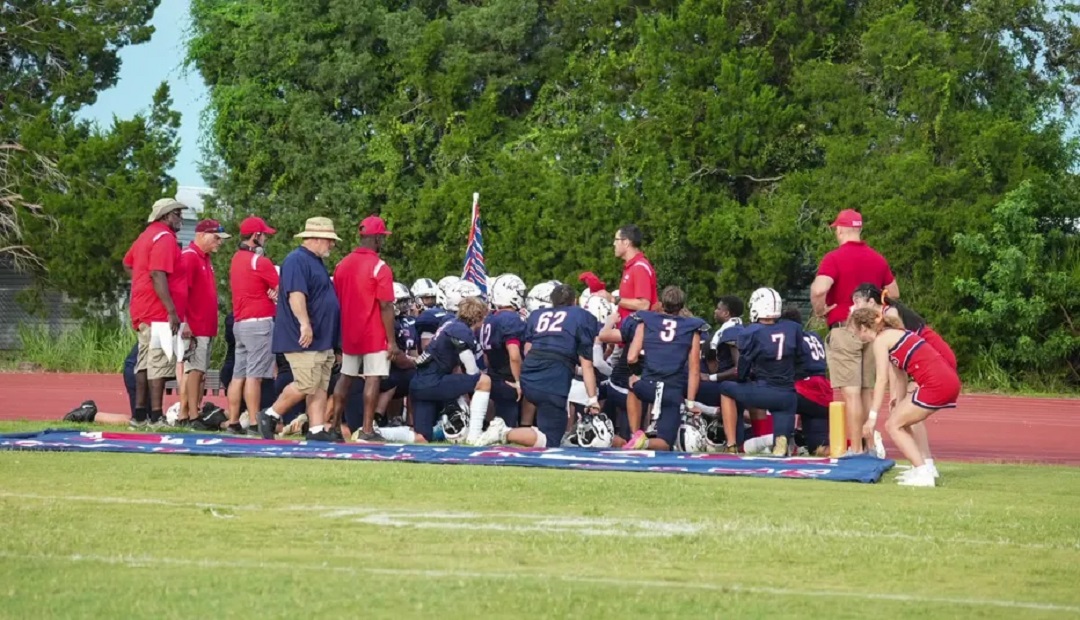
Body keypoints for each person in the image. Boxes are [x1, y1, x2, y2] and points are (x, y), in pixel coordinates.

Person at [810, 209, 899, 453]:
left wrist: (821, 309)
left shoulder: (834, 258)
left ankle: (856, 449)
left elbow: (819, 289)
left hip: (845, 327)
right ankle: (869, 445)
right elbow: (894, 293)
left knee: (850, 392)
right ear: (859, 230)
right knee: (868, 390)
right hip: (872, 329)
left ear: (840, 229)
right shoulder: (877, 259)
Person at [476, 284, 601, 449]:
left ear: (552, 302)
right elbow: (587, 364)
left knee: (550, 429)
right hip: (553, 377)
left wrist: (521, 381)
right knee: (550, 440)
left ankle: (519, 433)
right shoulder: (581, 316)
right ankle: (503, 432)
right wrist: (592, 399)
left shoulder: (537, 315)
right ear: (575, 301)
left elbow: (527, 350)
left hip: (530, 374)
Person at [849, 307, 961, 487]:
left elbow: (881, 380)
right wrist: (898, 401)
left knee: (893, 425)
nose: (857, 337)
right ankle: (922, 468)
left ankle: (923, 472)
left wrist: (872, 418)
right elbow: (900, 375)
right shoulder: (894, 334)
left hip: (937, 383)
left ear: (863, 328)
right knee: (900, 421)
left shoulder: (880, 341)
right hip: (944, 380)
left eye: (855, 332)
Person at [257, 217, 342, 442]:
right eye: (328, 240)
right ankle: (270, 414)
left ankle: (315, 429)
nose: (331, 245)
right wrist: (305, 324)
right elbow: (296, 294)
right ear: (314, 239)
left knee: (320, 384)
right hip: (303, 336)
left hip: (322, 336)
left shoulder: (314, 261)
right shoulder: (297, 260)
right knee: (307, 382)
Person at [122, 197, 188, 428]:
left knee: (144, 363)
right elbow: (158, 273)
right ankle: (156, 415)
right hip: (158, 311)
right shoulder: (164, 238)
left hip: (142, 309)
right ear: (165, 216)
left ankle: (139, 415)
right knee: (158, 365)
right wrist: (171, 310)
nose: (181, 218)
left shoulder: (145, 236)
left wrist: (140, 283)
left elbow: (128, 263)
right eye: (177, 214)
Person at [331, 215, 398, 442]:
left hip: (349, 331)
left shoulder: (342, 264)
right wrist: (392, 340)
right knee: (373, 377)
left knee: (345, 377)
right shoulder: (380, 267)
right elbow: (386, 305)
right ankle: (367, 430)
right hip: (373, 331)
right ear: (377, 238)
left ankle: (334, 426)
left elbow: (337, 299)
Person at [718, 288, 803, 456]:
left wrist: (746, 380)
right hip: (787, 396)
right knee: (780, 443)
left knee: (726, 388)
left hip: (764, 391)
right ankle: (781, 441)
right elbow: (799, 359)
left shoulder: (752, 332)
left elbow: (742, 370)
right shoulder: (793, 328)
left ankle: (731, 444)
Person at [622, 286, 706, 451]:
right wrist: (690, 403)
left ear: (661, 303)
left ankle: (635, 434)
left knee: (632, 385)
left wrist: (637, 374)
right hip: (671, 390)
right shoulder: (692, 327)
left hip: (649, 385)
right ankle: (644, 443)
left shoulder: (646, 320)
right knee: (665, 443)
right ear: (682, 306)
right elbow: (694, 369)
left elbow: (631, 357)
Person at [408, 296, 491, 442]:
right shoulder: (461, 330)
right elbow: (472, 371)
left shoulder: (450, 323)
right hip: (433, 382)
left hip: (418, 383)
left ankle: (382, 433)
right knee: (484, 381)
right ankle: (475, 436)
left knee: (422, 438)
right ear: (478, 316)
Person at [226, 216, 279, 434]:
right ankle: (255, 424)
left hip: (240, 323)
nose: (266, 238)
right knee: (254, 376)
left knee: (238, 374)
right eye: (264, 234)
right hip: (259, 324)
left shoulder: (236, 259)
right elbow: (282, 288)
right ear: (256, 236)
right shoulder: (260, 262)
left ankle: (233, 421)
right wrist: (273, 294)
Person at [177, 219, 230, 425]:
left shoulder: (204, 259)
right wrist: (186, 322)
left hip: (205, 325)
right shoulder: (190, 258)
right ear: (201, 235)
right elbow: (181, 292)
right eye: (216, 238)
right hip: (195, 324)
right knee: (194, 370)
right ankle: (191, 415)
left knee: (199, 372)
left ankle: (188, 411)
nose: (219, 242)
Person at [780, 305, 832, 455]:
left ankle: (780, 441)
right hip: (823, 392)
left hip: (805, 389)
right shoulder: (814, 336)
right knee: (819, 449)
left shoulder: (791, 338)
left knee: (777, 398)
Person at [480, 276, 527, 428]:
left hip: (493, 376)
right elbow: (514, 355)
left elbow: (487, 356)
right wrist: (519, 382)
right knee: (507, 431)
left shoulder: (489, 318)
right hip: (508, 380)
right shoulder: (511, 318)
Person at [600, 225, 657, 325]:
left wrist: (613, 299)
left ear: (626, 242)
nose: (614, 243)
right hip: (628, 333)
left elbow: (643, 305)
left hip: (635, 336)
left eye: (616, 239)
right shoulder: (632, 266)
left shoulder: (639, 267)